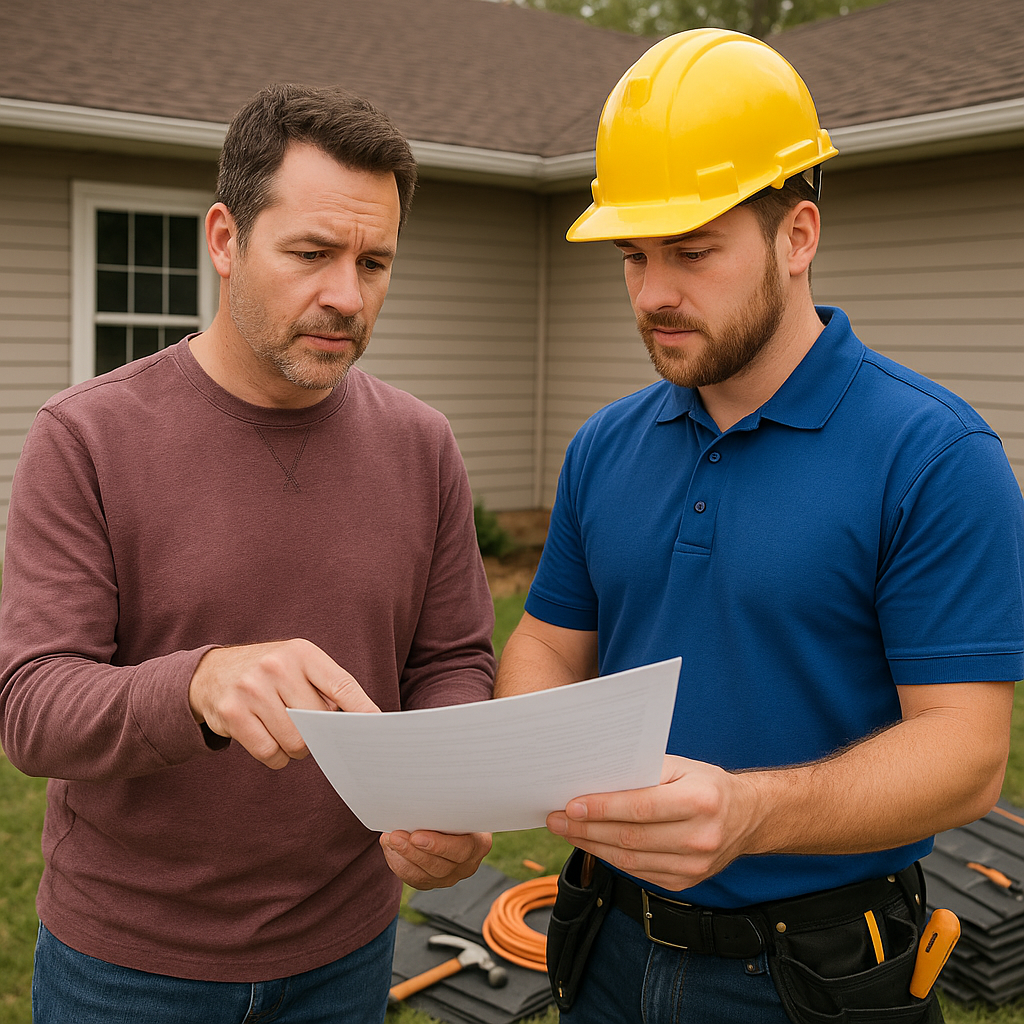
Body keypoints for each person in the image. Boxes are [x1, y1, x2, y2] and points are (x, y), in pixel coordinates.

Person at [494, 29, 1024, 1024]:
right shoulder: (605, 446)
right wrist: (530, 766)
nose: (653, 292)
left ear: (797, 235)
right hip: (604, 937)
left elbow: (966, 753)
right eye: (633, 255)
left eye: (693, 251)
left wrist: (750, 811)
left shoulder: (932, 454)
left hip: (814, 970)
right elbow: (546, 643)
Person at [0, 84, 495, 1024]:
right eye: (311, 253)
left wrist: (446, 787)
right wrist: (198, 683)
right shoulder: (86, 437)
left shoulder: (422, 445)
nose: (346, 295)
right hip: (126, 968)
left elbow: (454, 660)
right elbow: (31, 704)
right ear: (225, 240)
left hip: (346, 948)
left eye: (374, 261)